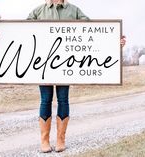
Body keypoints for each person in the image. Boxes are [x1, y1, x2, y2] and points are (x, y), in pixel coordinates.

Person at [26, 0, 126, 153]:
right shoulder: (38, 11)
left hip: (66, 65)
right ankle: (44, 141)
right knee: (45, 100)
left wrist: (114, 41)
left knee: (63, 100)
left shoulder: (74, 10)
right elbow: (20, 33)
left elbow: (93, 33)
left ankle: (60, 140)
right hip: (44, 65)